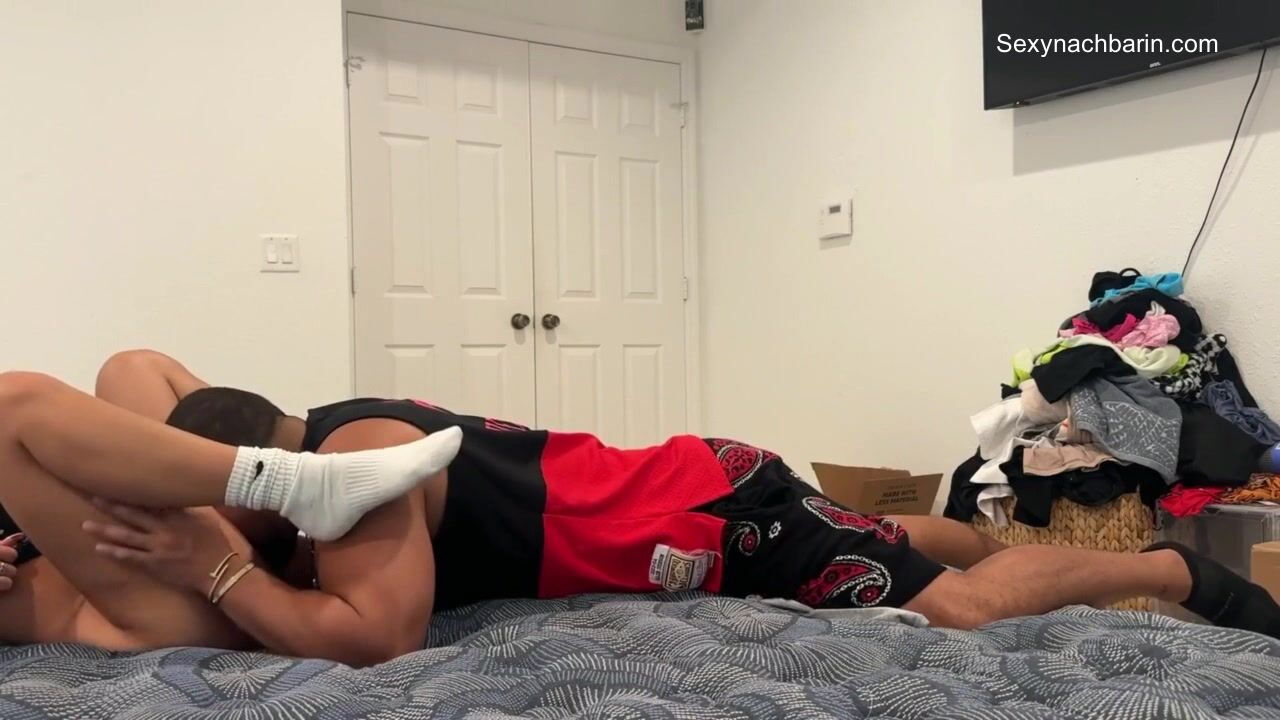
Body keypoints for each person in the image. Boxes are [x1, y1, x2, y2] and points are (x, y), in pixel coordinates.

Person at [6, 351, 1279, 665]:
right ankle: (1002, 534)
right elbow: (140, 378)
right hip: (691, 475)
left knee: (954, 608)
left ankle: (1162, 572)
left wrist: (221, 573)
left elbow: (375, 641)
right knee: (887, 534)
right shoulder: (314, 429)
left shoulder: (362, 478)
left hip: (720, 521)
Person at [0, 359, 462, 665]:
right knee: (9, 404)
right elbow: (380, 644)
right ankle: (286, 480)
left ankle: (277, 477)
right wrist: (213, 564)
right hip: (161, 593)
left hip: (157, 542)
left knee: (130, 368)